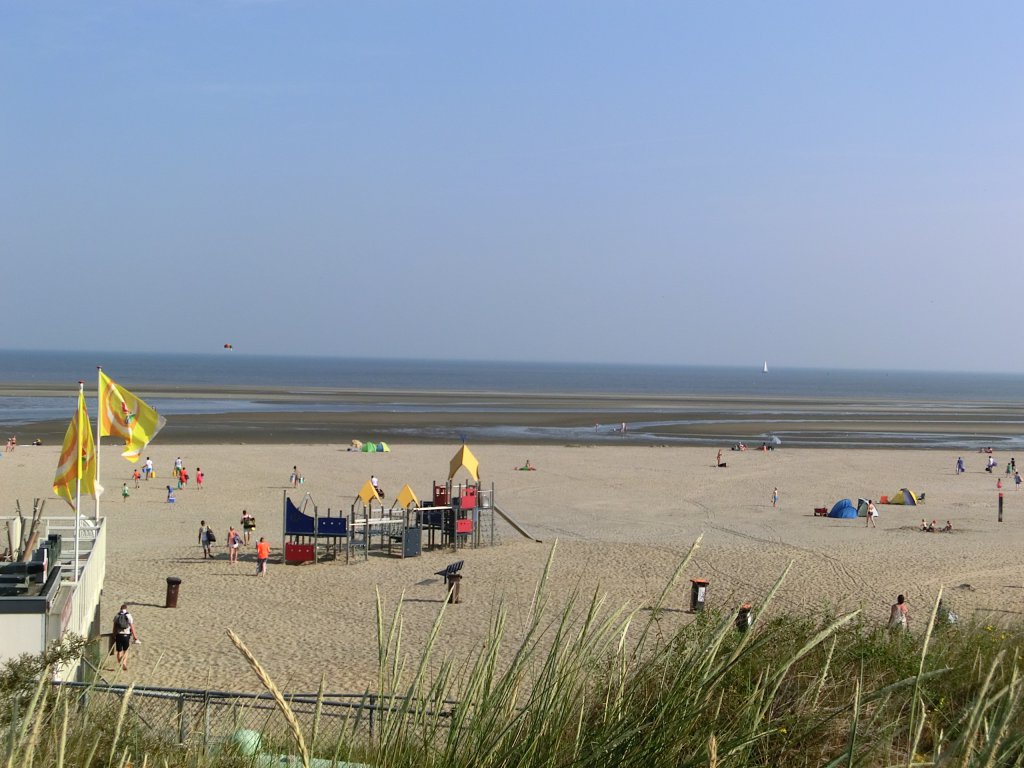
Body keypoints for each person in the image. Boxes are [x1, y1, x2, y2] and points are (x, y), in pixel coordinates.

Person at [112, 603, 140, 670]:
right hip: (126, 635)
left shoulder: (117, 616)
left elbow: (114, 627)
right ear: (126, 609)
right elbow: (132, 627)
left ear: (120, 609)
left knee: (119, 651)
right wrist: (135, 637)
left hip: (119, 635)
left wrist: (114, 635)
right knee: (126, 650)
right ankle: (124, 663)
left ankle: (120, 664)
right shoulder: (128, 616)